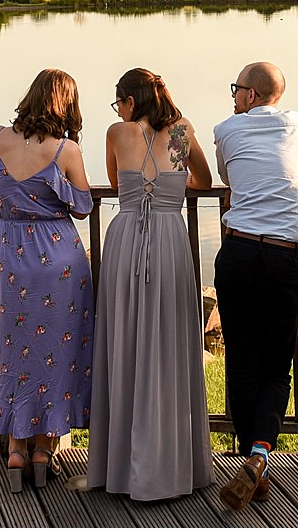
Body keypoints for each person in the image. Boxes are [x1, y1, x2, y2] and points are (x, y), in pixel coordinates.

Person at [87, 68, 215, 501]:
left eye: (118, 101)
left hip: (125, 241)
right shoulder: (180, 132)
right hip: (168, 240)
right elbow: (205, 180)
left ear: (128, 100)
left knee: (125, 343)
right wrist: (172, 190)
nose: (117, 108)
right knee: (168, 344)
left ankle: (121, 467)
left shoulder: (117, 133)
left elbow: (112, 182)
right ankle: (171, 463)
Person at [0, 69, 95, 491]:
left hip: (12, 262)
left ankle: (15, 447)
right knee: (58, 354)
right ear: (67, 105)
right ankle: (45, 450)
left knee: (14, 351)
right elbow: (82, 207)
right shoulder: (66, 150)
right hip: (60, 264)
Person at [210, 61, 298, 511]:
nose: (233, 96)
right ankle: (258, 456)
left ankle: (250, 460)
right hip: (281, 256)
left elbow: (229, 179)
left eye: (237, 89)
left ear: (251, 95)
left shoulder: (226, 129)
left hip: (237, 252)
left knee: (243, 359)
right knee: (276, 365)